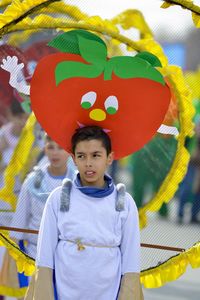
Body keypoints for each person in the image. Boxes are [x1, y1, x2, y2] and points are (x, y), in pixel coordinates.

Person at [25, 125, 143, 300]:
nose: (88, 163)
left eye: (96, 155)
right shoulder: (58, 198)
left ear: (109, 158)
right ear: (73, 158)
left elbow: (131, 258)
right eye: (81, 156)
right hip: (64, 291)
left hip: (108, 292)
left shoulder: (124, 202)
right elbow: (44, 255)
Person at [10, 134, 77, 259]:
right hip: (35, 254)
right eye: (51, 147)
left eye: (60, 148)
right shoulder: (32, 181)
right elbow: (18, 224)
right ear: (44, 149)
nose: (55, 153)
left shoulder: (78, 183)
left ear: (70, 151)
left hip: (69, 256)